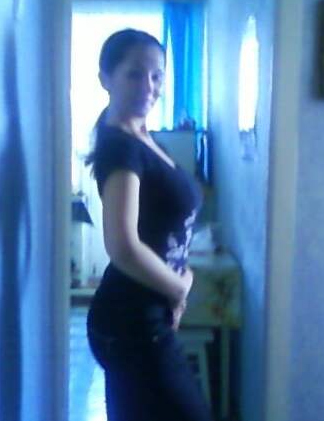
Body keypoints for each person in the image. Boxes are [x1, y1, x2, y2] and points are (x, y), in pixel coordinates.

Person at [85, 28, 212, 421]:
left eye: (157, 76)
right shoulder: (120, 149)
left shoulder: (145, 138)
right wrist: (178, 288)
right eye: (134, 74)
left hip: (143, 315)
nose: (149, 86)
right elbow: (122, 246)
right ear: (106, 78)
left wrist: (179, 282)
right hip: (132, 320)